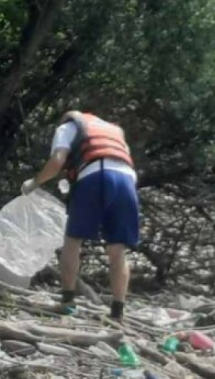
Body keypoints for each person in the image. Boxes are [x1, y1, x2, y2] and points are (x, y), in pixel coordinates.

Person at [21, 110, 139, 321]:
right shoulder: (115, 131)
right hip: (127, 182)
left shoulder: (68, 127)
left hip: (94, 176)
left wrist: (35, 182)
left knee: (73, 240)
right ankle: (117, 311)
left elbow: (57, 161)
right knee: (117, 248)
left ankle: (67, 302)